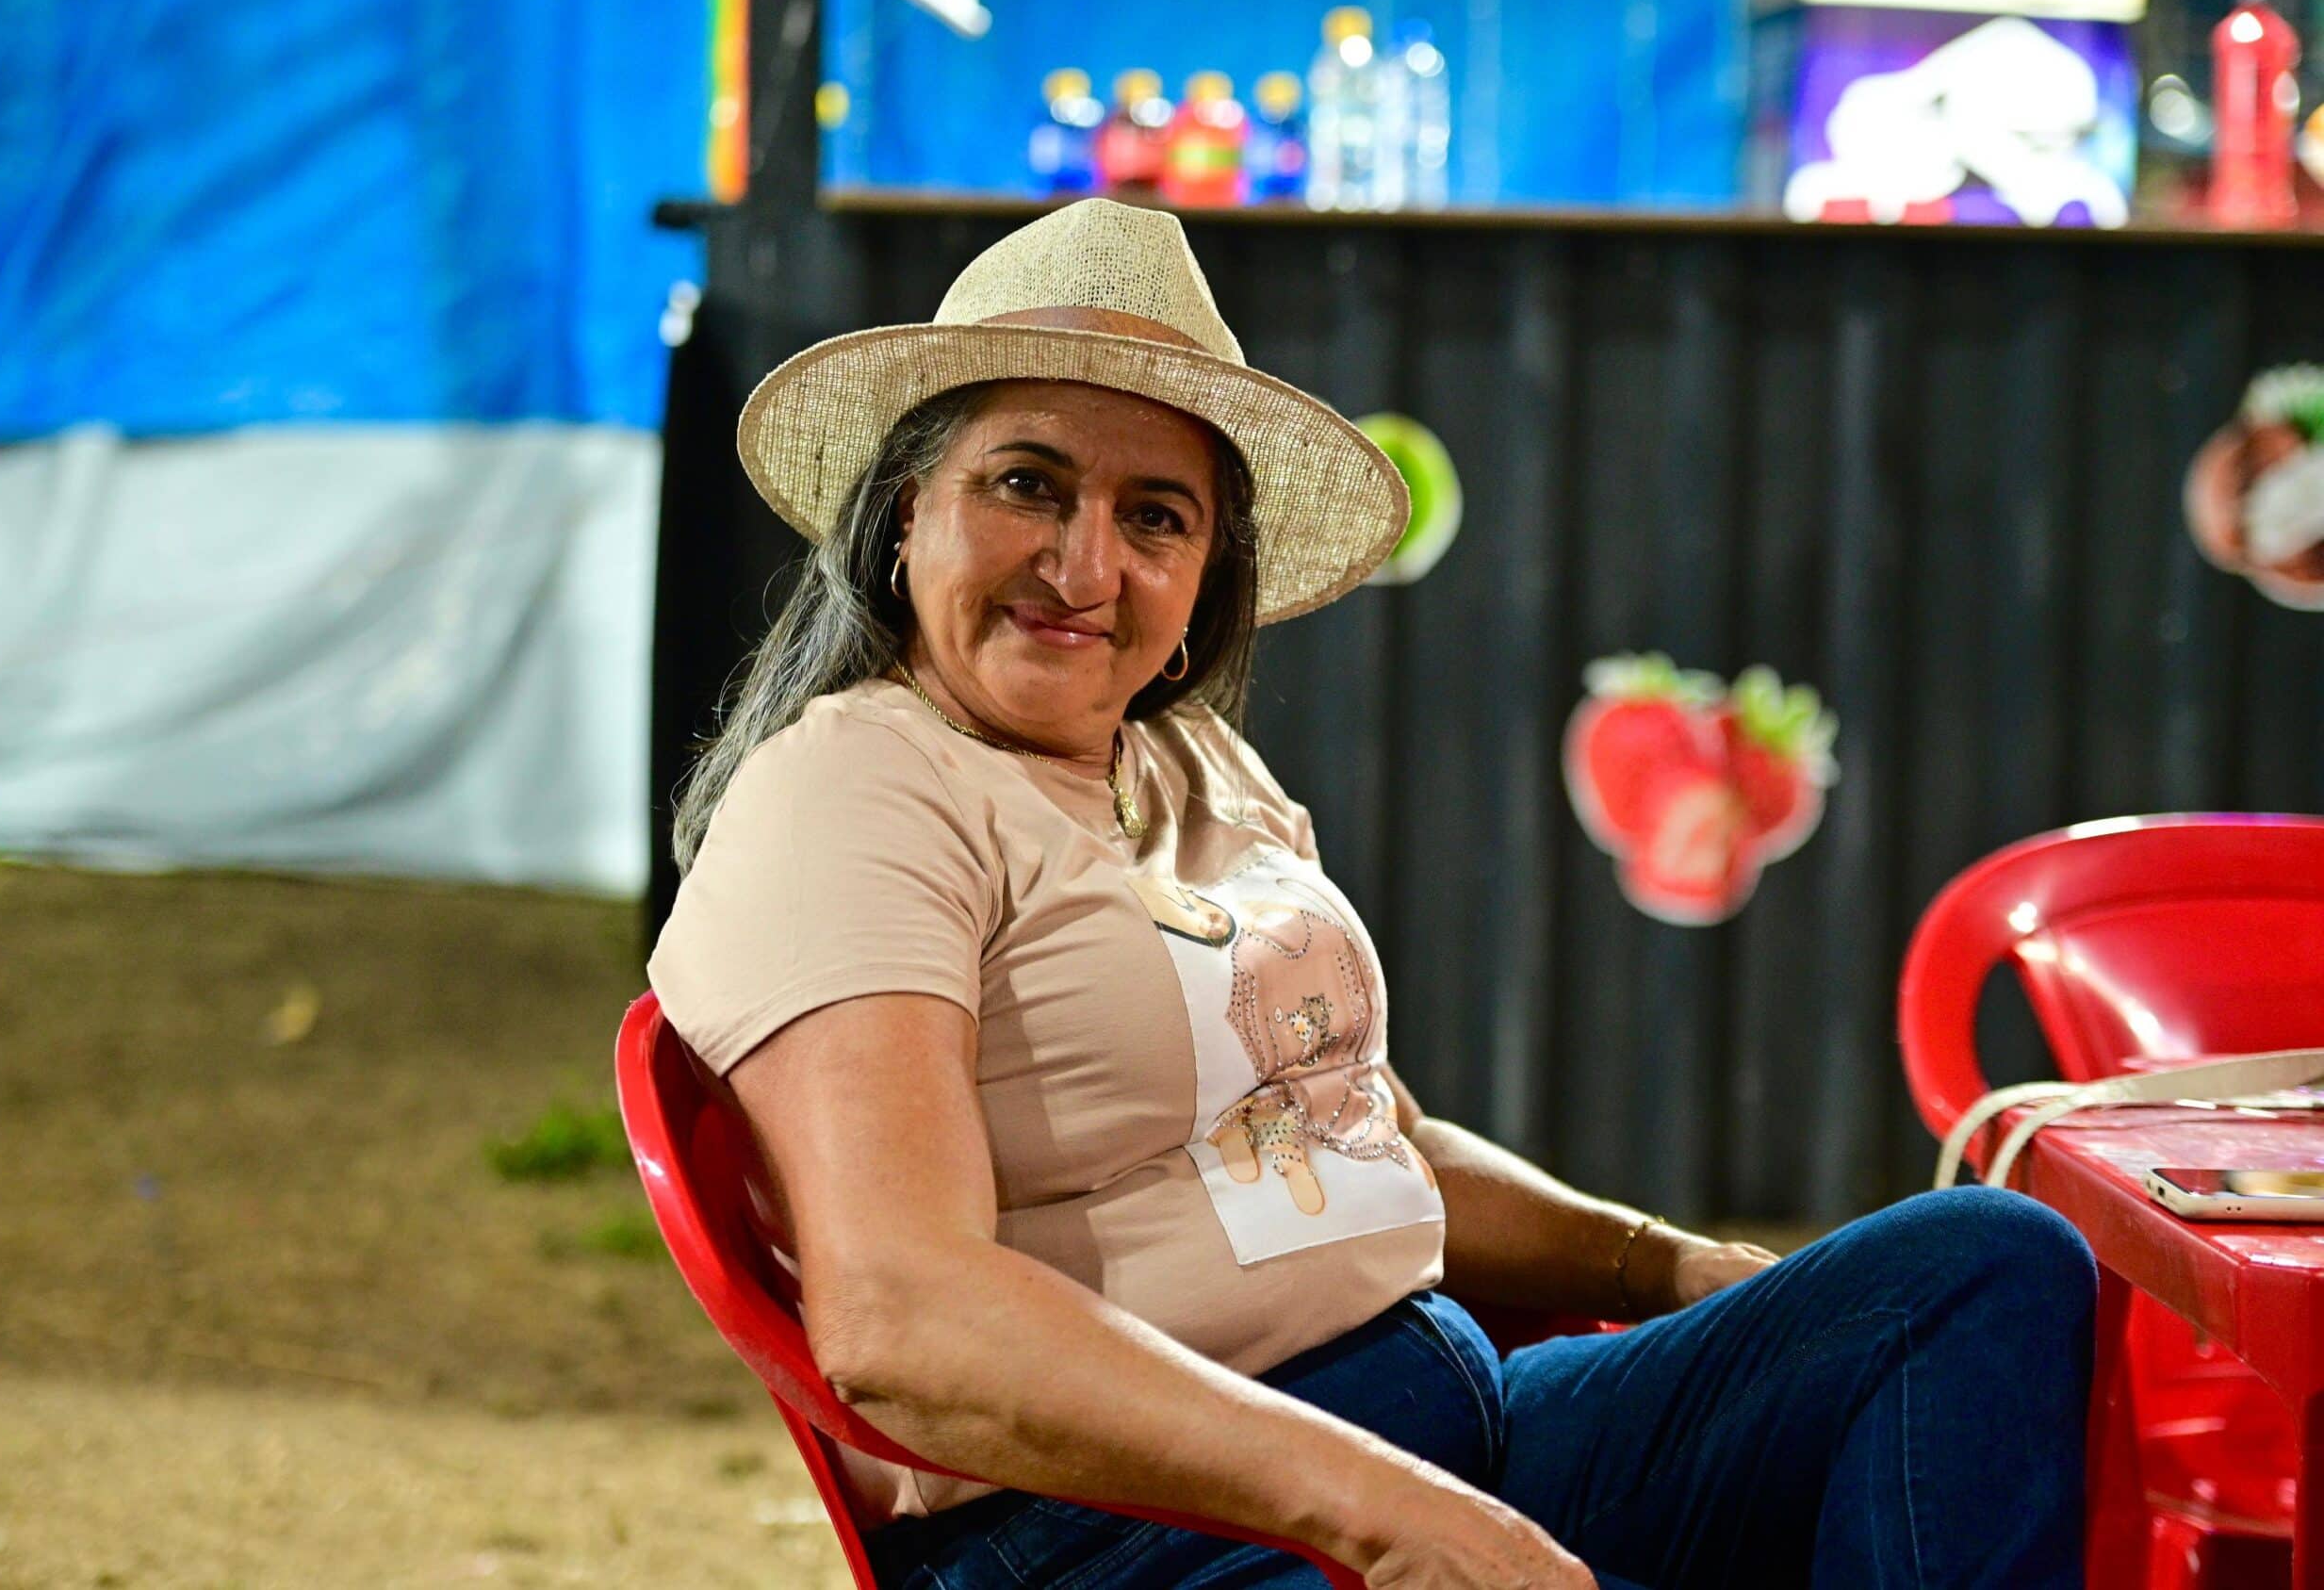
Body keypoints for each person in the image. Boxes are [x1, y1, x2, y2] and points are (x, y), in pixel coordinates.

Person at [647, 198, 2096, 1589]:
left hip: (1433, 1432)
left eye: (1156, 516)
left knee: (1979, 1267)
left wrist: (1667, 1267)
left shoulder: (1191, 760)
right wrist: (1391, 1517)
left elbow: (1364, 1139)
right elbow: (903, 1319)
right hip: (1132, 1532)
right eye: (1027, 482)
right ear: (906, 512)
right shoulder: (858, 788)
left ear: (1204, 578)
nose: (1086, 564)